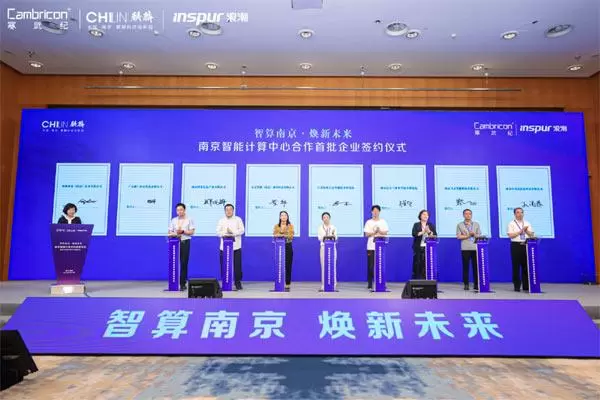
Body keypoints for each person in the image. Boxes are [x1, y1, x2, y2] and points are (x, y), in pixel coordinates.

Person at [217, 203, 245, 290]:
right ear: (225, 211)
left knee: (237, 265)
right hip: (224, 247)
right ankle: (225, 282)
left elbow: (242, 230)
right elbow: (218, 232)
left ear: (233, 210)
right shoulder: (221, 220)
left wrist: (233, 233)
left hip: (236, 247)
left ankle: (237, 282)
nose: (228, 211)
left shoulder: (238, 219)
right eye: (227, 210)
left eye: (230, 210)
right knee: (223, 265)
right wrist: (225, 234)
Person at [168, 203, 195, 291]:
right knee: (174, 262)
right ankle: (174, 282)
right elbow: (169, 232)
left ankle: (183, 283)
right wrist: (175, 233)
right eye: (178, 210)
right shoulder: (173, 220)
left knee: (184, 263)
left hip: (185, 242)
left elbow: (192, 232)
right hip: (175, 243)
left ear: (184, 210)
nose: (179, 211)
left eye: (181, 210)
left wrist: (183, 231)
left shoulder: (189, 219)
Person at [507, 207, 535, 292]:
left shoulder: (527, 223)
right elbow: (510, 235)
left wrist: (526, 231)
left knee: (526, 266)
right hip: (516, 245)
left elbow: (532, 235)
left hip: (526, 245)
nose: (520, 214)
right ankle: (516, 286)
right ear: (515, 214)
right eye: (518, 212)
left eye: (521, 212)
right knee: (516, 266)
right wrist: (520, 231)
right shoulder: (511, 223)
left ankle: (526, 285)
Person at [363, 205, 389, 289]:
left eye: (377, 211)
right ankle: (370, 283)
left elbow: (385, 232)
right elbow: (366, 234)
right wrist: (374, 232)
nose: (375, 212)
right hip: (371, 247)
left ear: (379, 212)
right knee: (370, 266)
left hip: (381, 247)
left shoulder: (383, 222)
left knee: (381, 265)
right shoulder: (368, 222)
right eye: (374, 211)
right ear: (371, 212)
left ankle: (381, 282)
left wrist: (379, 231)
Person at [456, 209, 481, 290]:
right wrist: (468, 236)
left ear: (471, 215)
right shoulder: (460, 225)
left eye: (469, 214)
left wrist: (474, 234)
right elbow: (458, 236)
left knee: (476, 267)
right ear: (463, 215)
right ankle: (466, 284)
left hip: (475, 248)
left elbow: (479, 236)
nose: (468, 215)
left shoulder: (476, 224)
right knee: (465, 267)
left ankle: (476, 284)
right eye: (466, 214)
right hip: (465, 248)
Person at [411, 210, 437, 279]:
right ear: (420, 216)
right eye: (424, 214)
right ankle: (416, 279)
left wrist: (429, 232)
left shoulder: (431, 225)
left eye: (427, 215)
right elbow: (414, 234)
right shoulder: (416, 224)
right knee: (417, 264)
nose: (426, 216)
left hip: (428, 248)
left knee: (427, 264)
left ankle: (426, 279)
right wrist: (423, 231)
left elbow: (434, 235)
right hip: (418, 247)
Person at [273, 211, 295, 290]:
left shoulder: (290, 226)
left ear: (287, 217)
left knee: (288, 265)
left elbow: (291, 236)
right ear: (280, 217)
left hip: (288, 246)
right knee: (279, 264)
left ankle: (287, 283)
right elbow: (275, 235)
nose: (284, 217)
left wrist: (281, 234)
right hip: (279, 246)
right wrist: (284, 235)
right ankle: (279, 282)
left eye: (285, 215)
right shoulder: (276, 226)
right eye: (282, 215)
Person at [317, 212, 338, 291]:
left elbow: (336, 237)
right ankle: (323, 285)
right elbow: (319, 238)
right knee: (323, 266)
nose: (326, 219)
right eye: (324, 217)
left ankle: (334, 285)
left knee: (333, 265)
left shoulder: (333, 227)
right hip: (323, 247)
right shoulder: (320, 228)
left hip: (332, 248)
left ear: (329, 218)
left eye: (327, 217)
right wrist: (326, 237)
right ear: (322, 219)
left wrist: (332, 236)